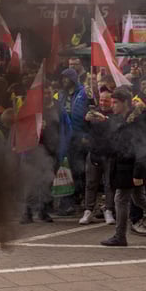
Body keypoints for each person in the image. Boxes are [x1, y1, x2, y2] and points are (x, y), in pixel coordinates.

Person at [94, 88, 146, 246]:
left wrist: (138, 173)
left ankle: (120, 236)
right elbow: (113, 143)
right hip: (122, 166)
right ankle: (119, 236)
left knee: (121, 199)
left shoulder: (138, 121)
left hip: (130, 168)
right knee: (139, 199)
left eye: (116, 102)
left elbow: (142, 149)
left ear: (125, 103)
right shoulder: (119, 119)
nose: (112, 105)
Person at [58, 68, 90, 214]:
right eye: (62, 78)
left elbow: (87, 113)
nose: (64, 80)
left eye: (67, 78)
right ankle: (70, 199)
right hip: (65, 137)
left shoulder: (83, 93)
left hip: (79, 136)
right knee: (67, 168)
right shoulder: (61, 95)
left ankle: (81, 196)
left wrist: (86, 134)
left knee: (80, 168)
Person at [82, 90, 116, 225]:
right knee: (90, 183)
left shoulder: (115, 114)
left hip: (110, 153)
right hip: (94, 152)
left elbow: (117, 127)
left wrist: (105, 120)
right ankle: (88, 210)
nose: (102, 103)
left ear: (111, 101)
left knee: (109, 184)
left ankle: (109, 210)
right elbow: (85, 129)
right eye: (101, 100)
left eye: (106, 101)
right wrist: (86, 120)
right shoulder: (94, 111)